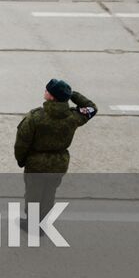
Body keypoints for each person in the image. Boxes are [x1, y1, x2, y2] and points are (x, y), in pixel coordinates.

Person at [14, 78, 98, 232]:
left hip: (36, 165)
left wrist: (21, 160)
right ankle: (42, 224)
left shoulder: (35, 117)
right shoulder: (73, 116)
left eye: (47, 90)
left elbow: (22, 143)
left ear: (51, 97)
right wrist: (71, 94)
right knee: (49, 194)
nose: (45, 92)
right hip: (59, 163)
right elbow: (91, 108)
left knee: (33, 195)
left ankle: (32, 225)